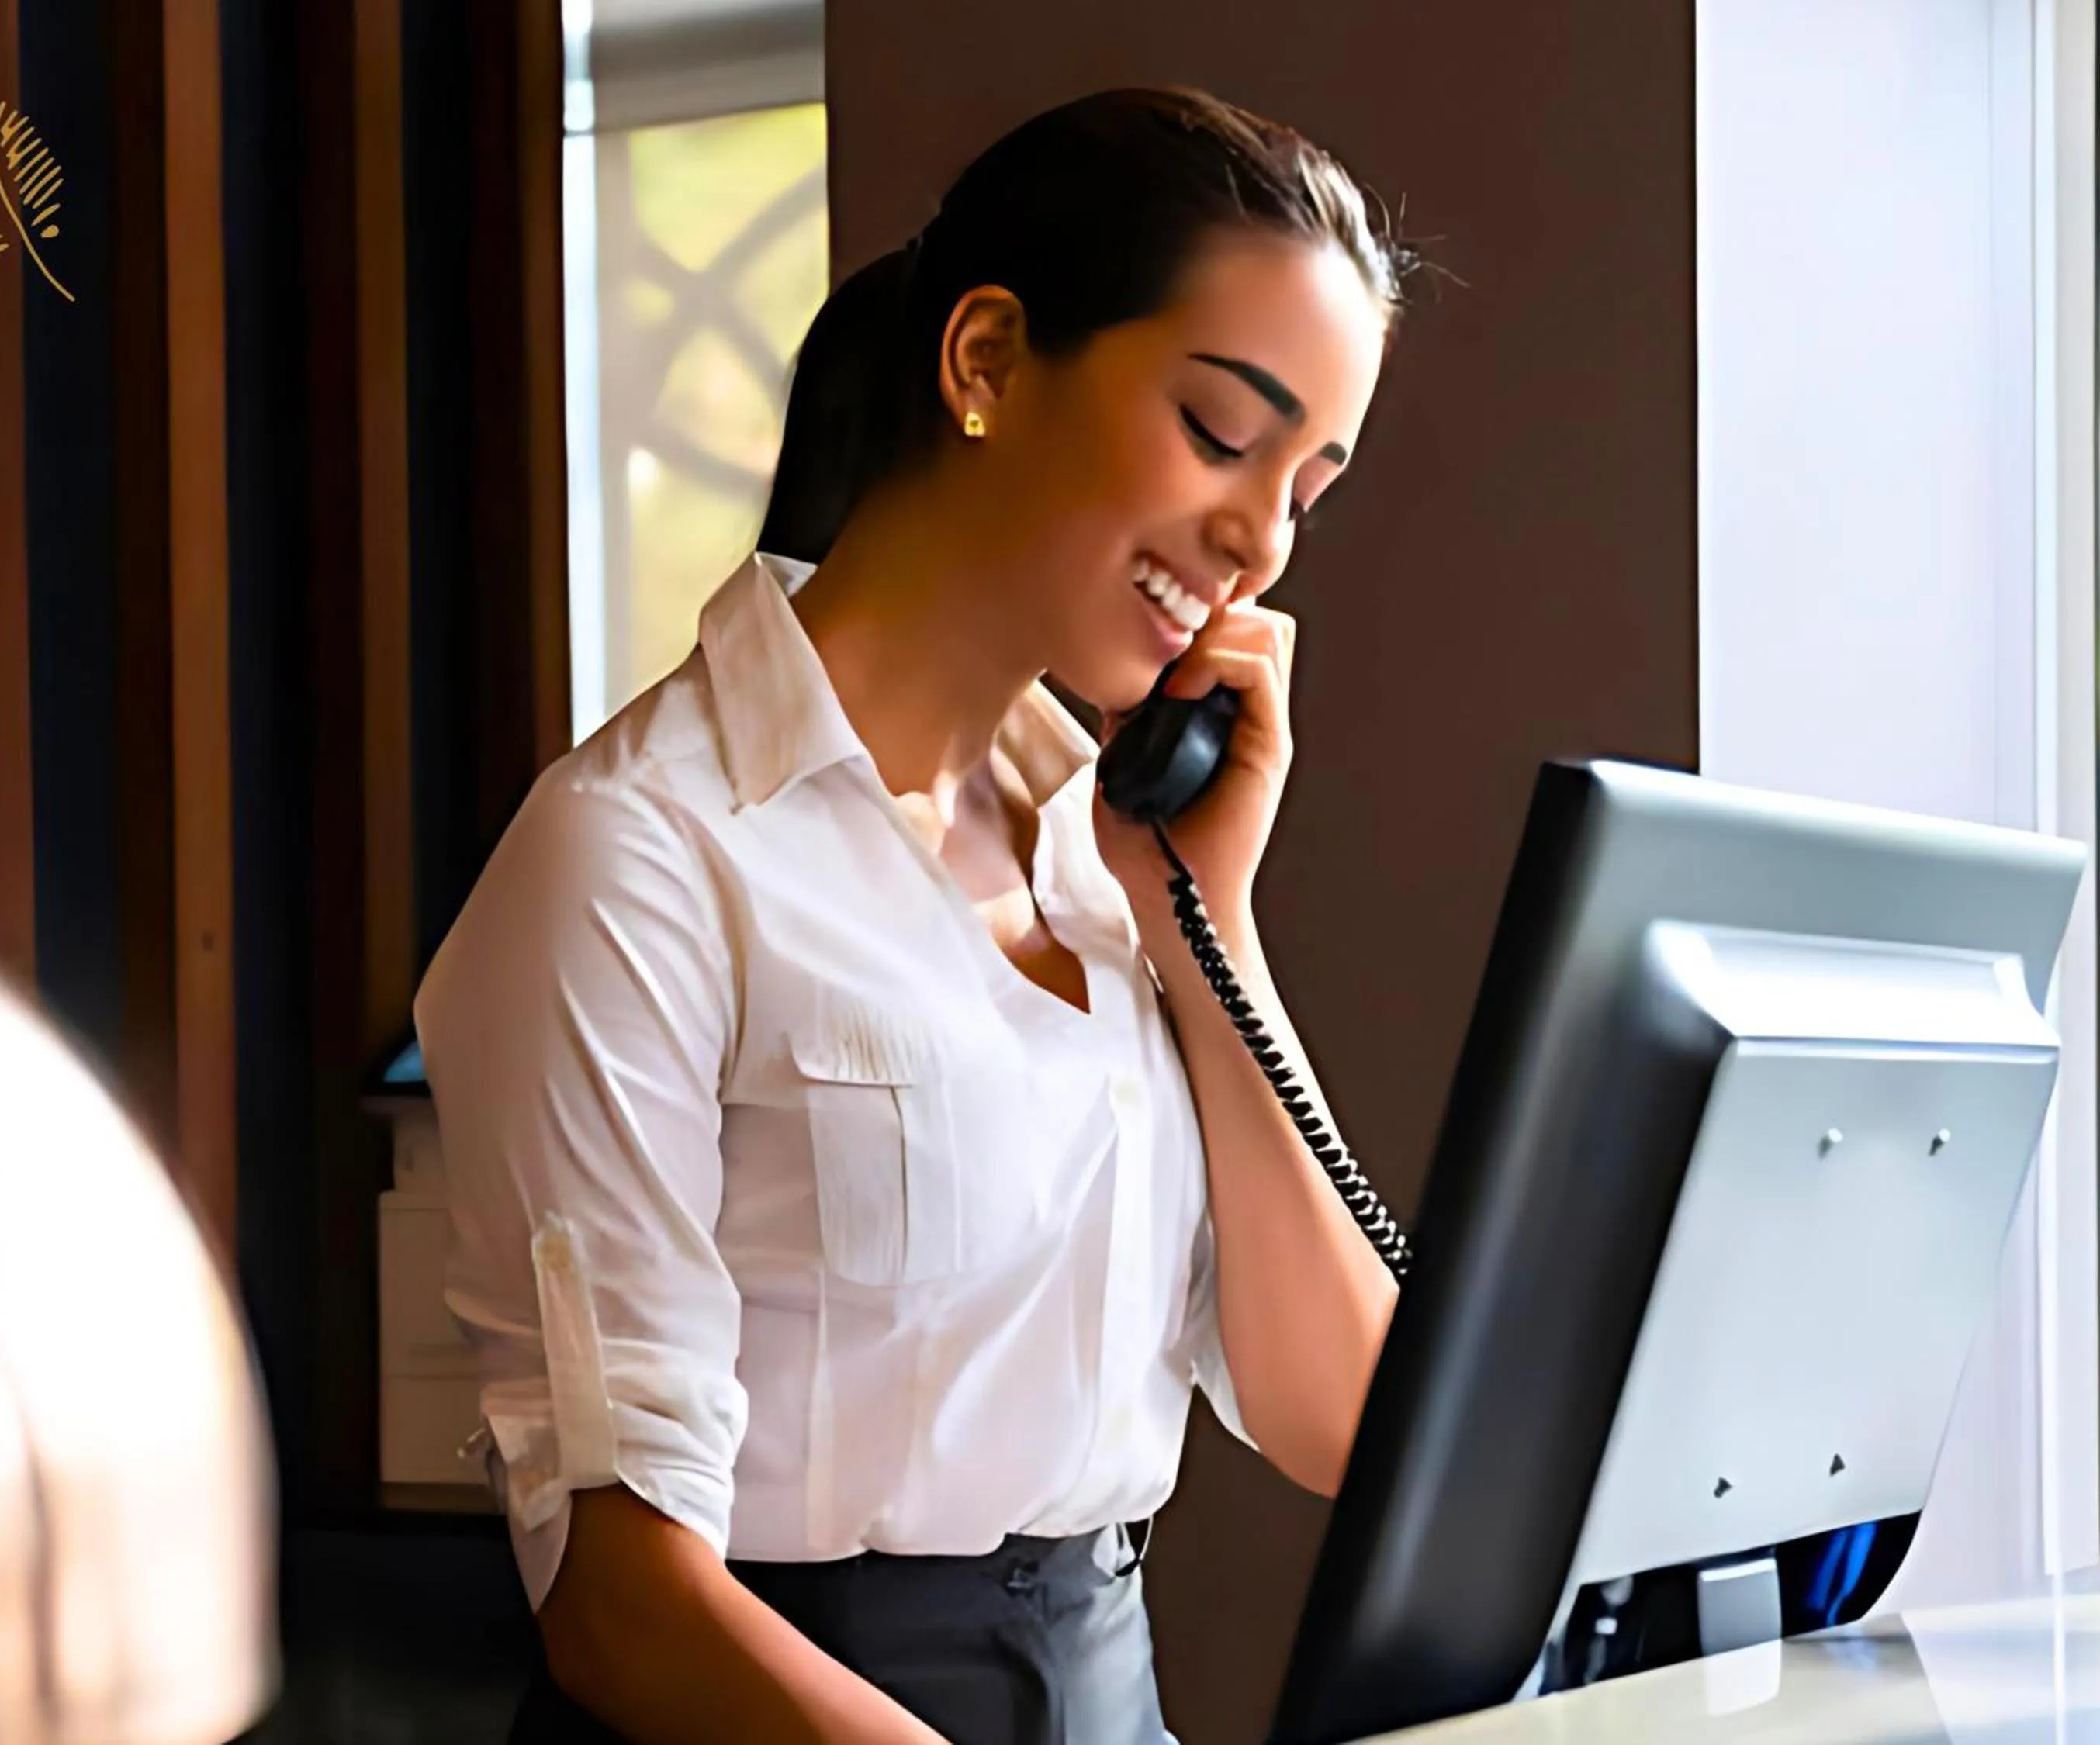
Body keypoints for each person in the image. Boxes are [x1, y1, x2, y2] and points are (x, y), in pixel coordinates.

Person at [414, 85, 1418, 1745]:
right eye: (1224, 437)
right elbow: (620, 1602)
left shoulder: (1107, 861)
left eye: (1308, 486)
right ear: (987, 361)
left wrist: (1206, 929)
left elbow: (1344, 1423)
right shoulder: (641, 861)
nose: (1257, 543)